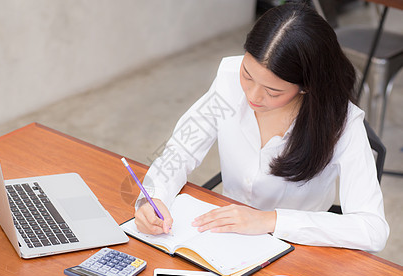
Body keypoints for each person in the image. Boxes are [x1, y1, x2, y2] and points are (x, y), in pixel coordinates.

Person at [133, 3, 389, 252]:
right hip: (223, 238)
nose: (253, 95)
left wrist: (270, 220)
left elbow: (372, 229)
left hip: (295, 249)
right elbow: (181, 151)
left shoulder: (341, 122)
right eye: (247, 74)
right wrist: (153, 197)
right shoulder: (229, 80)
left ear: (306, 86)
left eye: (272, 91)